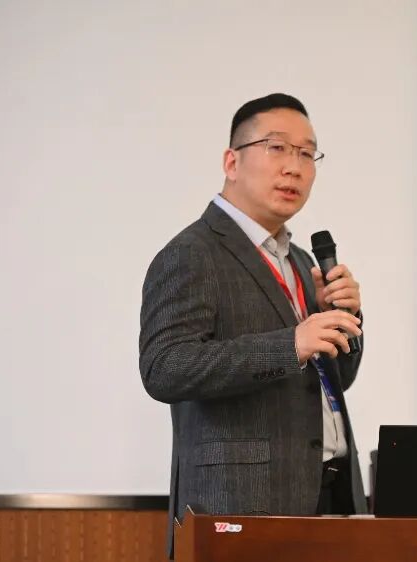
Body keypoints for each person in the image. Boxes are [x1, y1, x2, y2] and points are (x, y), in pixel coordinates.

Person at [138, 93, 366, 558]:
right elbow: (164, 367)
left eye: (307, 153)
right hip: (243, 504)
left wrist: (345, 321)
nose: (294, 167)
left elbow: (334, 381)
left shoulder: (300, 261)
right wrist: (291, 344)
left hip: (329, 497)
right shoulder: (192, 253)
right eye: (276, 147)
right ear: (232, 162)